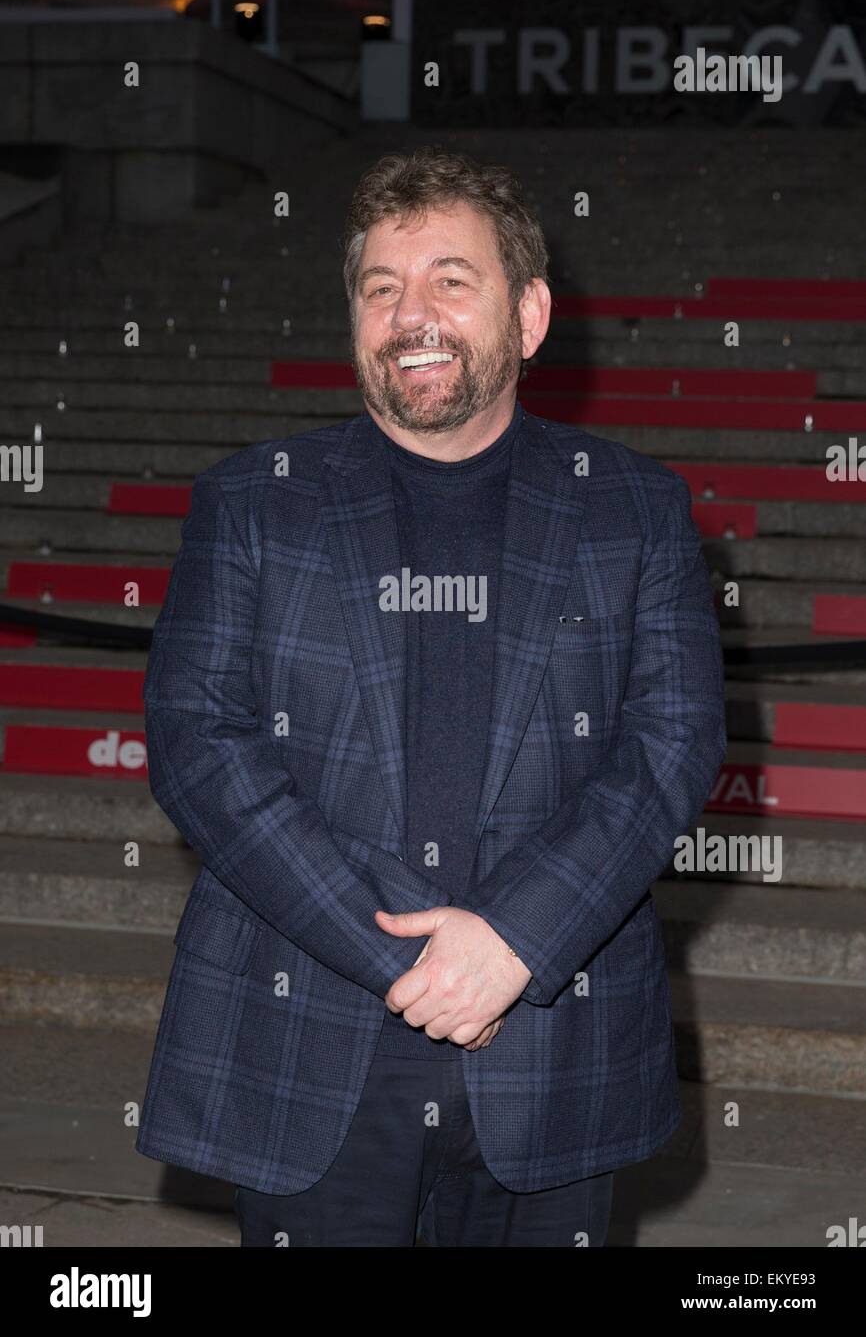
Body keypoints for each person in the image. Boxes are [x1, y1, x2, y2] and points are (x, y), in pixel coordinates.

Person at [135, 146, 727, 1247]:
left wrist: (514, 938)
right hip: (310, 1038)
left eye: (451, 281)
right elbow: (198, 749)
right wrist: (410, 960)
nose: (412, 315)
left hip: (554, 1043)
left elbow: (670, 747)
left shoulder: (633, 509)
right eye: (381, 289)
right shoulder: (252, 505)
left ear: (530, 313)